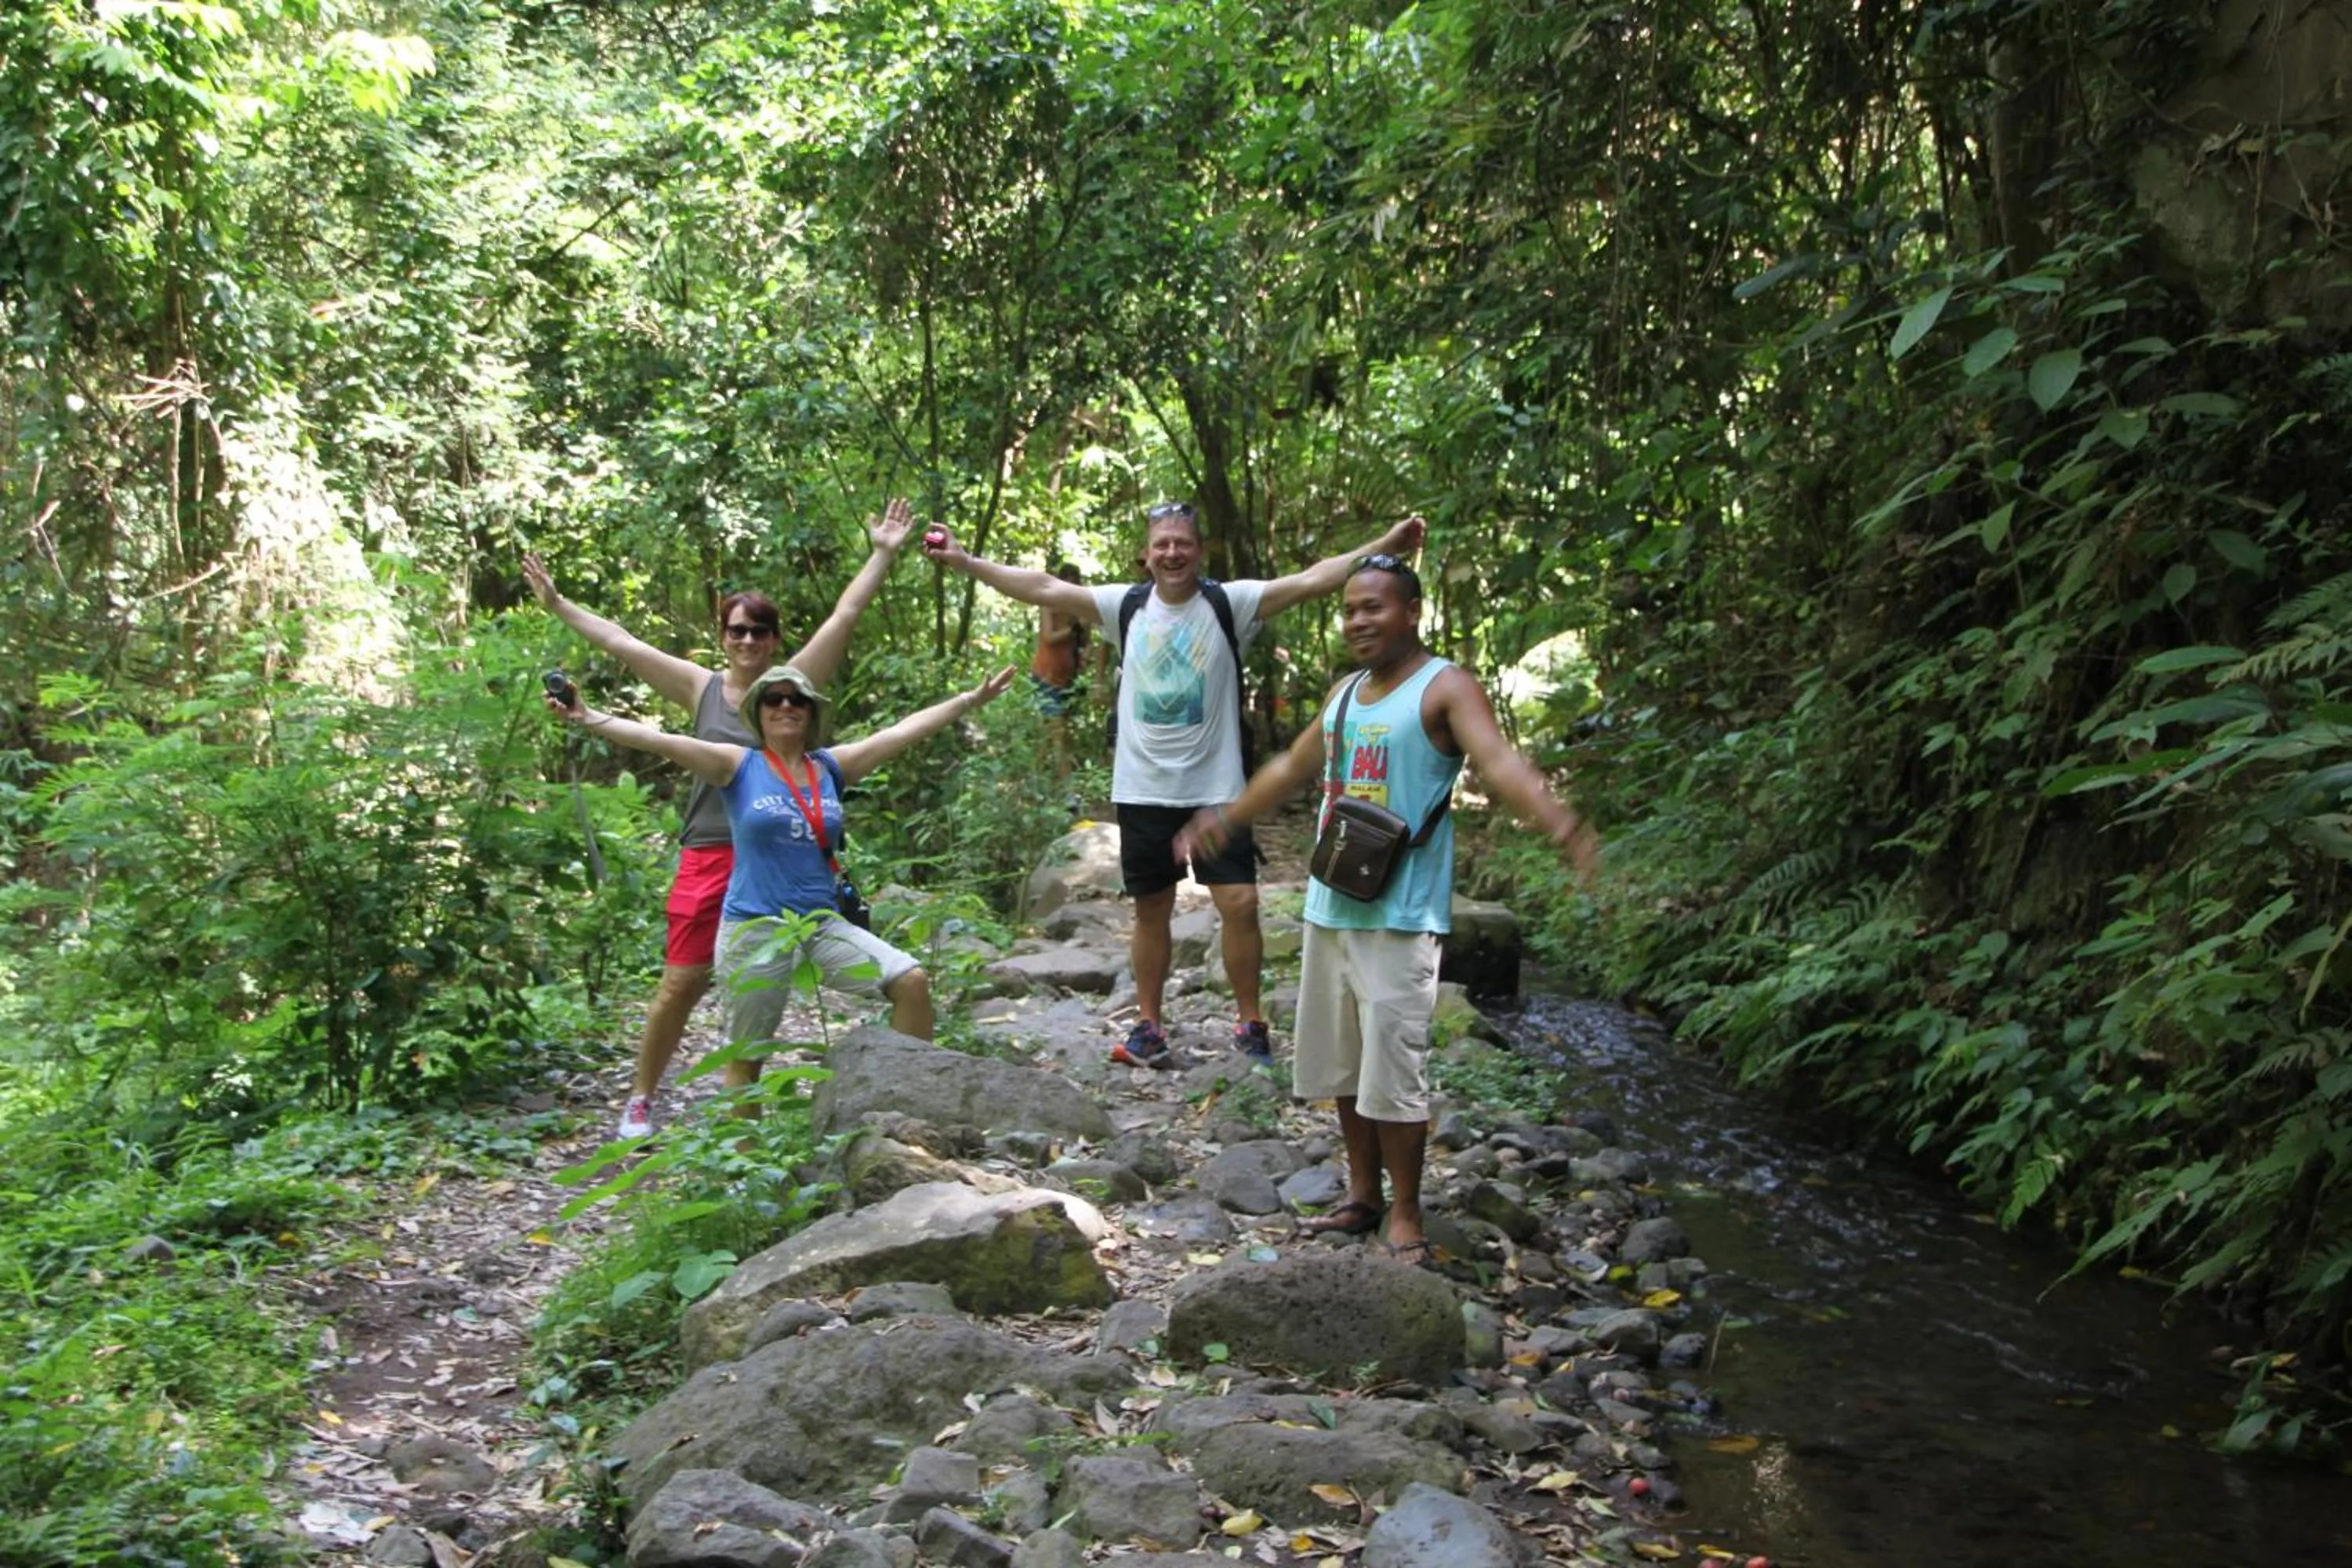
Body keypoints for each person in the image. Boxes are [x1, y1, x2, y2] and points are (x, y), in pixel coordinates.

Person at [1174, 553, 1599, 1265]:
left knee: (1394, 1075)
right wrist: (1224, 817)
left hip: (1401, 913)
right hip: (1331, 903)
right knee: (1343, 1069)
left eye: (1374, 607)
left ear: (1412, 611)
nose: (1359, 622)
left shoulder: (1445, 687)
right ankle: (1361, 1195)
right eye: (1349, 611)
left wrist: (1561, 824)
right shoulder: (1345, 694)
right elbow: (1291, 769)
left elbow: (1496, 763)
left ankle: (1406, 1212)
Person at [924, 503, 1426, 1069]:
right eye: (1162, 544)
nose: (1171, 553)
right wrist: (965, 561)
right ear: (1147, 553)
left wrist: (1389, 540)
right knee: (1151, 910)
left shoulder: (1227, 603)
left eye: (1182, 543)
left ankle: (1250, 1022)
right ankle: (1150, 1025)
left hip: (1218, 787)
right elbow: (1041, 587)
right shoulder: (1126, 606)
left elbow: (1315, 578)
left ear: (1199, 550)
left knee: (1240, 903)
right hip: (1142, 788)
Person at [524, 501, 915, 1138]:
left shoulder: (796, 683)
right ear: (723, 637)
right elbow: (624, 643)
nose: (747, 642)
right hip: (711, 851)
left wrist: (882, 552)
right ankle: (642, 1098)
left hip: (780, 856)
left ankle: (754, 1119)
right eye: (736, 631)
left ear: (775, 641)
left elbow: (846, 614)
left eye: (759, 632)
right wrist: (560, 606)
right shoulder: (700, 688)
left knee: (768, 991)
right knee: (681, 981)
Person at [546, 662, 1016, 1104]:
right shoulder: (738, 765)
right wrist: (588, 717)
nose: (786, 706)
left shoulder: (832, 767)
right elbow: (661, 741)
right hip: (754, 927)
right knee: (748, 1061)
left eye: (797, 699)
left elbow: (901, 733)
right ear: (759, 712)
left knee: (909, 980)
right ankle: (743, 1169)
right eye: (774, 699)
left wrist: (969, 701)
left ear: (811, 713)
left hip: (820, 925)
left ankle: (905, 1099)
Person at [1030, 561, 1089, 782]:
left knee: (1051, 735)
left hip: (1068, 680)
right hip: (1045, 677)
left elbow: (1085, 643)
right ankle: (1068, 793)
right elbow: (1048, 637)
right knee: (1058, 733)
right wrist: (1072, 629)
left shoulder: (1080, 610)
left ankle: (1034, 781)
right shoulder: (1049, 604)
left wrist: (1082, 629)